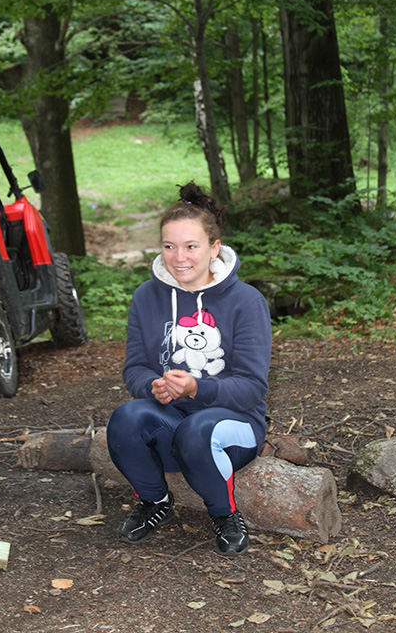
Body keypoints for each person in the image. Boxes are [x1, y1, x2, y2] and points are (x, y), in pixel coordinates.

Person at [106, 181, 271, 556]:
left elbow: (251, 387)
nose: (179, 257)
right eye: (169, 246)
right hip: (171, 421)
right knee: (126, 418)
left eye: (191, 246)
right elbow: (135, 368)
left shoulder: (246, 301)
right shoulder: (146, 297)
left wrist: (197, 388)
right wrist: (153, 386)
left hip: (233, 427)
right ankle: (155, 501)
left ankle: (225, 514)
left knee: (197, 430)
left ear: (214, 248)